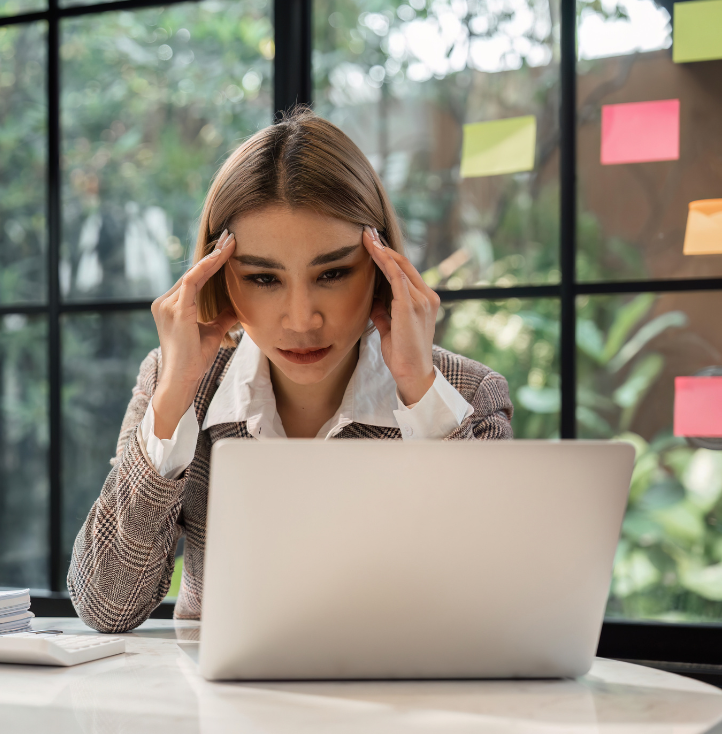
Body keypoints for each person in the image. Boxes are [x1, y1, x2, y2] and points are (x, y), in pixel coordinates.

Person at [68, 107, 514, 634]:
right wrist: (174, 398)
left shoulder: (467, 396)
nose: (302, 320)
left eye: (333, 273)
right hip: (220, 688)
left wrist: (421, 392)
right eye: (264, 278)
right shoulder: (179, 383)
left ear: (381, 268)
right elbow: (106, 606)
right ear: (220, 278)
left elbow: (494, 606)